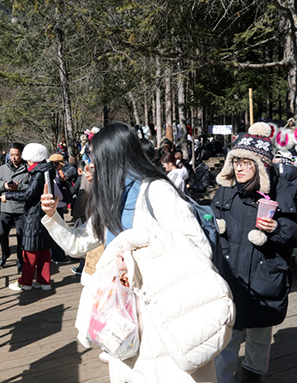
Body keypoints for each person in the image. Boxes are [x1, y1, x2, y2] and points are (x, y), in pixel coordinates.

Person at [40, 122, 234, 382]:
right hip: (122, 315)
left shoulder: (156, 190)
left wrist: (134, 257)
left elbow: (196, 245)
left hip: (163, 312)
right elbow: (77, 245)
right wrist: (53, 217)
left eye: (94, 157)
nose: (91, 163)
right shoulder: (110, 196)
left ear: (111, 155)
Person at [211, 123, 297, 383]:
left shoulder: (281, 192)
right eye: (236, 161)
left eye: (246, 162)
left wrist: (276, 227)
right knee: (227, 342)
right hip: (231, 280)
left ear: (261, 165)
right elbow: (214, 223)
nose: (239, 167)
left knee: (259, 341)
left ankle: (253, 379)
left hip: (266, 280)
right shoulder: (226, 190)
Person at [3, 143, 56, 291]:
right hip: (44, 212)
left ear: (34, 159)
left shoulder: (38, 173)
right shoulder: (47, 170)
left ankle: (25, 282)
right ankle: (44, 281)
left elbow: (28, 195)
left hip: (35, 214)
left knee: (30, 249)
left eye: (29, 160)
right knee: (44, 249)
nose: (27, 163)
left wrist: (8, 195)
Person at [0, 143, 29, 272]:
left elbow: (32, 187)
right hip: (6, 207)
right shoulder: (3, 168)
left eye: (16, 155)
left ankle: (21, 261)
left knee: (21, 236)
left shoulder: (28, 168)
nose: (13, 157)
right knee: (1, 232)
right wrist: (4, 185)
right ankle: (5, 252)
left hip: (21, 208)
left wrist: (18, 186)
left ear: (22, 155)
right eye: (11, 154)